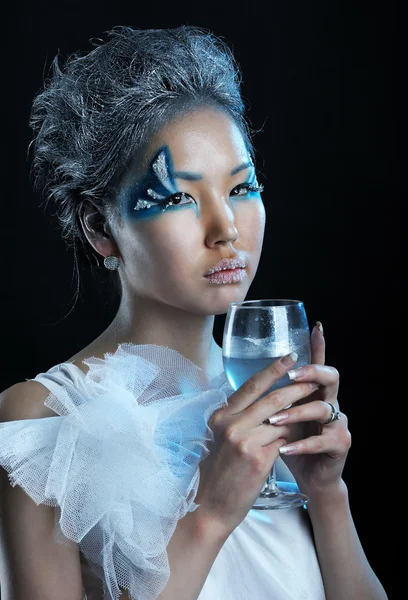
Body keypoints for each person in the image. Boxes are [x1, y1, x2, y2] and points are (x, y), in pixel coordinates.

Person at [0, 25, 387, 600]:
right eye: (179, 197)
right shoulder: (44, 419)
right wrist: (209, 513)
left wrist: (326, 492)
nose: (226, 228)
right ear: (100, 227)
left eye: (242, 188)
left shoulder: (274, 399)